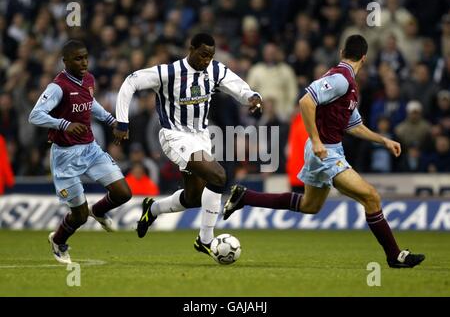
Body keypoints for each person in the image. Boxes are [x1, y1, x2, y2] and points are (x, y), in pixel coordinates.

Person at [223, 35, 425, 268]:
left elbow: (354, 126)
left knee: (311, 206)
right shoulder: (340, 79)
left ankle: (244, 197)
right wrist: (317, 141)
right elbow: (305, 102)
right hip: (325, 152)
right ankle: (395, 255)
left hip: (328, 149)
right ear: (364, 58)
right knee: (371, 196)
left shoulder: (348, 84)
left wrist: (384, 141)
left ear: (341, 52)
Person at [113, 33, 262, 256]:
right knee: (219, 176)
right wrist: (122, 121)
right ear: (190, 49)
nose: (206, 60)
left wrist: (253, 97)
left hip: (200, 137)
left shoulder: (215, 70)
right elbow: (131, 82)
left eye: (210, 56)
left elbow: (239, 89)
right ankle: (205, 240)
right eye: (202, 55)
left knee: (193, 198)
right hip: (174, 136)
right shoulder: (168, 72)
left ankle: (152, 209)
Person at [28, 40, 132, 264]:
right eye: (78, 58)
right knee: (79, 216)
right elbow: (34, 115)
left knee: (123, 193)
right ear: (65, 62)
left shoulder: (89, 79)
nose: (84, 62)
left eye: (85, 57)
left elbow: (89, 103)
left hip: (90, 149)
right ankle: (58, 241)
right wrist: (64, 124)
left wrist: (111, 120)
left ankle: (99, 210)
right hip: (65, 157)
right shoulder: (58, 87)